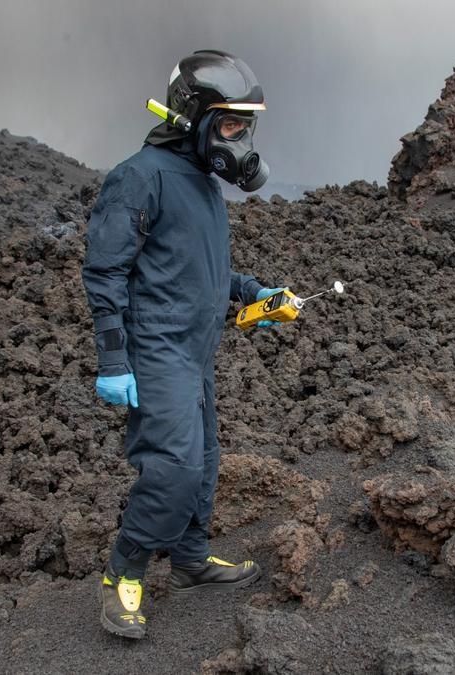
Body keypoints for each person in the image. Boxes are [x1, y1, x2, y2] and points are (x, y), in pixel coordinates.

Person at [81, 49, 284, 640]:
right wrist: (113, 358)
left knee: (205, 463)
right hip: (157, 347)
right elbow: (104, 272)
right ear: (190, 116)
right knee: (173, 469)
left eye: (246, 126)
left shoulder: (200, 182)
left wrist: (256, 294)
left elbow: (203, 269)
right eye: (228, 124)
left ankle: (192, 562)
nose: (240, 139)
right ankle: (124, 572)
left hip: (195, 350)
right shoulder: (139, 177)